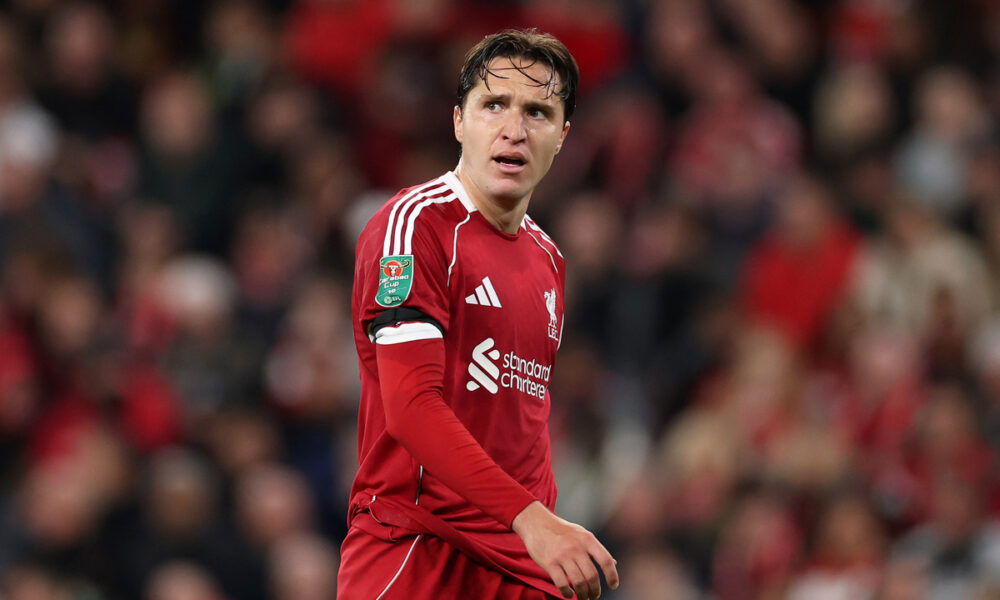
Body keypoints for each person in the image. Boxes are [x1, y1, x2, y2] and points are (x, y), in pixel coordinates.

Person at [337, 29, 620, 599]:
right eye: (495, 105)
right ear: (459, 121)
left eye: (538, 112)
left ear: (563, 137)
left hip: (518, 567)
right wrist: (535, 520)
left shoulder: (549, 261)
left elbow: (523, 428)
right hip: (416, 551)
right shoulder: (415, 226)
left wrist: (546, 541)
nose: (514, 129)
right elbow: (412, 409)